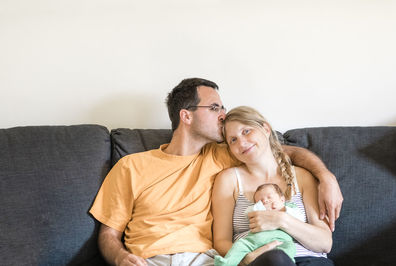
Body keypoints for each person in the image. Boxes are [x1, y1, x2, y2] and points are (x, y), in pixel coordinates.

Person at [90, 78, 342, 266]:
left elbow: (284, 152)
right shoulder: (131, 166)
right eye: (214, 108)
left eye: (223, 108)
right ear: (186, 116)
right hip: (149, 259)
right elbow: (109, 234)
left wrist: (326, 176)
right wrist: (122, 257)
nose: (223, 115)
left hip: (206, 261)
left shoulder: (225, 153)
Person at [212, 106, 335, 266]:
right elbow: (221, 241)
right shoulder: (228, 180)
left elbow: (325, 243)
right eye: (233, 140)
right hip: (260, 260)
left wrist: (281, 220)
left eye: (246, 131)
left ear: (266, 128)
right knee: (275, 259)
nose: (242, 143)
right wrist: (245, 259)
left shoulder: (302, 177)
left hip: (309, 260)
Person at [214, 183, 303, 266]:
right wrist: (260, 207)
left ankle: (289, 261)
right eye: (260, 200)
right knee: (239, 245)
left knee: (290, 248)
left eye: (269, 197)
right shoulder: (258, 209)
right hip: (255, 239)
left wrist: (282, 211)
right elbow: (248, 214)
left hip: (281, 240)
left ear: (282, 199)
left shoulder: (290, 208)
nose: (265, 201)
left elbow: (299, 219)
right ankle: (226, 262)